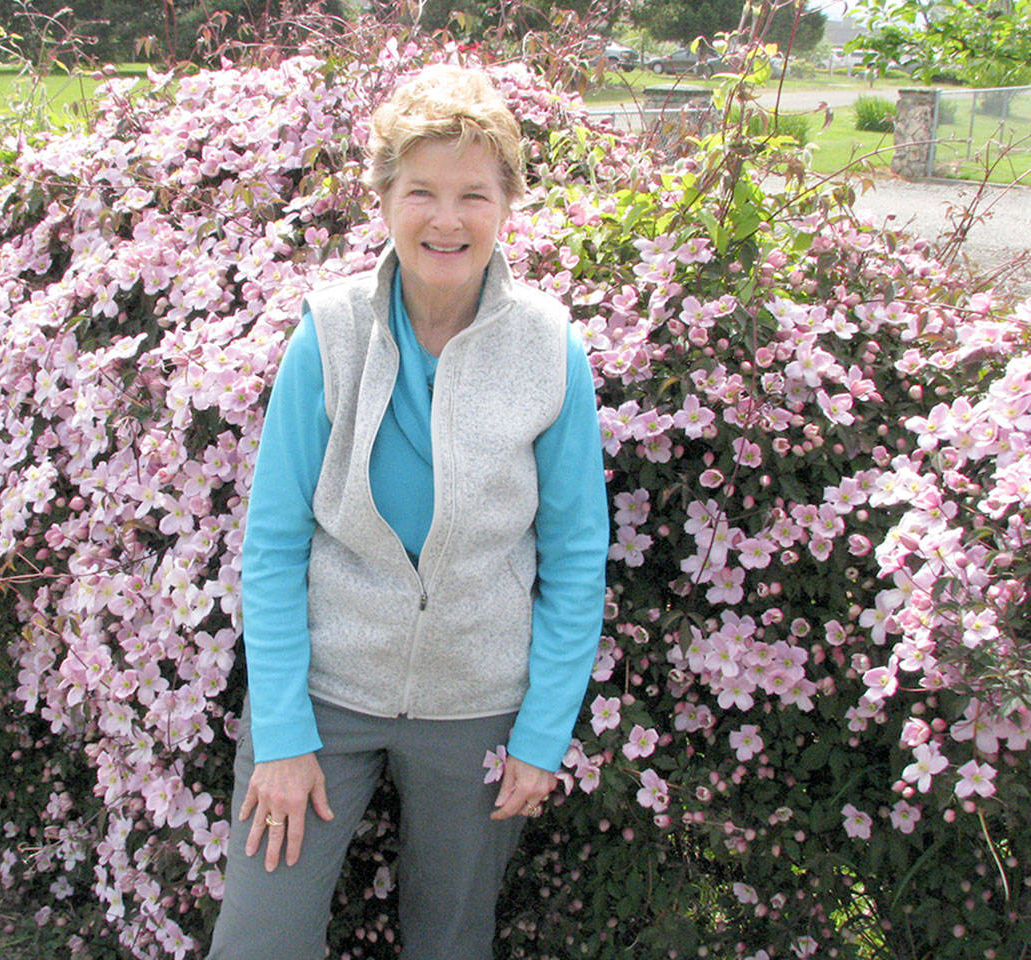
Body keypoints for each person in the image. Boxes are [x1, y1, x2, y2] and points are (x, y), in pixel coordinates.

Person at [208, 64, 610, 960]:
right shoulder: (329, 333)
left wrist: (543, 734)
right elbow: (273, 545)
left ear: (508, 203)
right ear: (383, 198)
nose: (446, 218)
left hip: (478, 701)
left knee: (452, 943)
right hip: (326, 696)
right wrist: (279, 734)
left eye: (474, 192)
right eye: (420, 190)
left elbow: (578, 554)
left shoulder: (552, 348)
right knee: (258, 942)